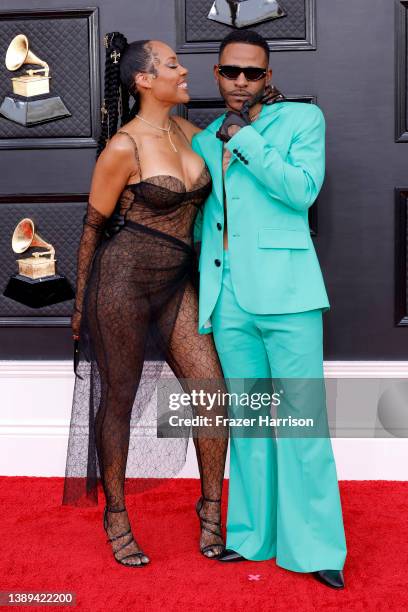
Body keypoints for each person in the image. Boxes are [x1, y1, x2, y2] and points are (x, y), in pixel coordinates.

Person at [61, 32, 231, 567]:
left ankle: (209, 514)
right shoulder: (124, 147)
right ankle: (116, 516)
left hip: (177, 281)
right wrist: (78, 305)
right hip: (122, 281)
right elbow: (91, 229)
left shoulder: (190, 133)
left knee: (211, 395)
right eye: (174, 66)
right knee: (120, 398)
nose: (185, 72)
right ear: (144, 80)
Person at [192, 30, 347, 589]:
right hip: (227, 295)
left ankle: (317, 547)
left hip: (288, 295)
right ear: (217, 73)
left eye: (252, 73)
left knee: (301, 424)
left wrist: (249, 139)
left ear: (269, 75)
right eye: (231, 72)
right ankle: (251, 536)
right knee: (251, 425)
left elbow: (303, 190)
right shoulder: (204, 137)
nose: (240, 82)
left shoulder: (304, 122)